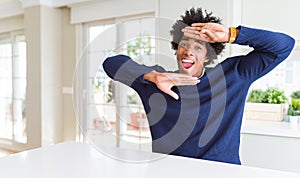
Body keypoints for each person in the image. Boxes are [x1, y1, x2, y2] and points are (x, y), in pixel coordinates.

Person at [102, 7, 295, 164]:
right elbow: (111, 63)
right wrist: (151, 76)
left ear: (208, 55)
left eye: (198, 47)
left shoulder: (233, 76)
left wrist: (231, 34)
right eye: (184, 45)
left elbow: (283, 46)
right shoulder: (156, 81)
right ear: (176, 50)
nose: (188, 52)